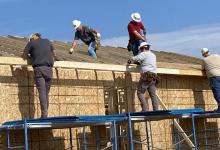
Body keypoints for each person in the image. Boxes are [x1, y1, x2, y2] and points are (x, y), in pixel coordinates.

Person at [22, 33, 58, 118]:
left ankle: (44, 114)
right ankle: (45, 113)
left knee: (42, 92)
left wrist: (32, 57)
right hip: (49, 69)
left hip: (39, 69)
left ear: (33, 37)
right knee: (46, 93)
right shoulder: (48, 42)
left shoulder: (31, 43)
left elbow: (24, 56)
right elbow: (55, 55)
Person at [128, 42, 159, 111]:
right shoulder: (153, 55)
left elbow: (135, 58)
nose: (141, 51)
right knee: (153, 94)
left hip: (146, 76)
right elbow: (146, 62)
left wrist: (130, 59)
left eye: (141, 49)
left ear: (144, 48)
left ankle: (144, 109)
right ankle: (156, 110)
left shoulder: (144, 54)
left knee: (140, 92)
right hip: (154, 77)